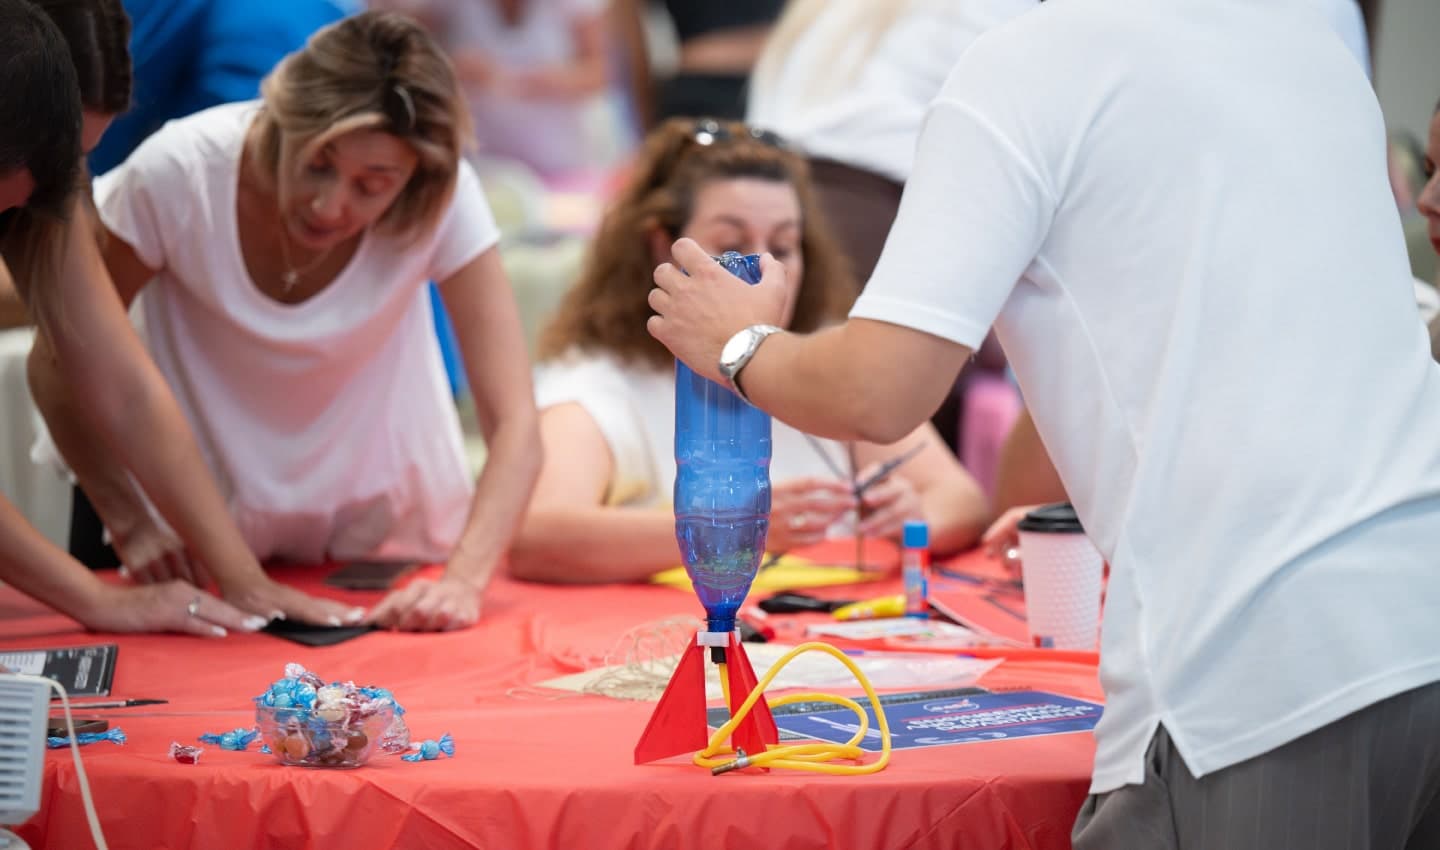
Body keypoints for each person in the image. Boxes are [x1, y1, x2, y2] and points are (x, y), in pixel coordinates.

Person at [646, 1, 1440, 846]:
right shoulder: (1310, 40)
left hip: (1264, 655)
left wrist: (735, 339)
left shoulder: (1027, 69)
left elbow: (877, 393)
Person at [30, 12, 542, 632]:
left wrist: (463, 581)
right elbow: (60, 364)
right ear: (281, 119)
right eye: (318, 163)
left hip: (378, 538)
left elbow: (515, 420)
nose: (330, 206)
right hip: (199, 544)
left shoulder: (444, 194)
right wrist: (129, 520)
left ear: (412, 181)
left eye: (372, 185)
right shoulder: (182, 171)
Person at [512, 118, 988, 583]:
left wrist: (913, 517)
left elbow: (960, 498)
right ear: (661, 246)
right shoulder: (601, 384)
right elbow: (536, 534)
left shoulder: (825, 361)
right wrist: (731, 527)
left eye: (783, 246)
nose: (764, 268)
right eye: (733, 245)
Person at [0, 0, 260, 637]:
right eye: (52, 156)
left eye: (81, 156)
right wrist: (96, 599)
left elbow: (124, 384)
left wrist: (245, 579)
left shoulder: (45, 182)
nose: (57, 185)